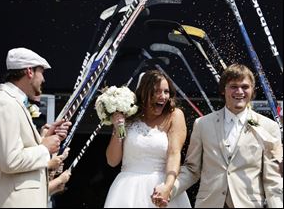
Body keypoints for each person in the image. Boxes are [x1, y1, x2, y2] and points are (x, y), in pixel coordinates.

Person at [151, 63, 283, 208]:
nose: (239, 91)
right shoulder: (202, 124)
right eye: (233, 86)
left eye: (245, 87)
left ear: (252, 90)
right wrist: (169, 190)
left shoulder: (269, 127)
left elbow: (272, 180)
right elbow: (191, 169)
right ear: (223, 90)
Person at [0, 47, 72, 208]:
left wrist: (44, 139)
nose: (43, 79)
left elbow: (18, 150)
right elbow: (10, 161)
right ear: (29, 72)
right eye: (42, 72)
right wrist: (45, 149)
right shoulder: (3, 104)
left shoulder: (13, 103)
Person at [103, 70, 191, 207]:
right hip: (127, 190)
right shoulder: (129, 116)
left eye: (166, 92)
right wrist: (119, 126)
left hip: (160, 187)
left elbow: (174, 154)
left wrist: (168, 186)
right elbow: (112, 161)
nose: (162, 97)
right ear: (144, 93)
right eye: (156, 91)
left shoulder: (174, 116)